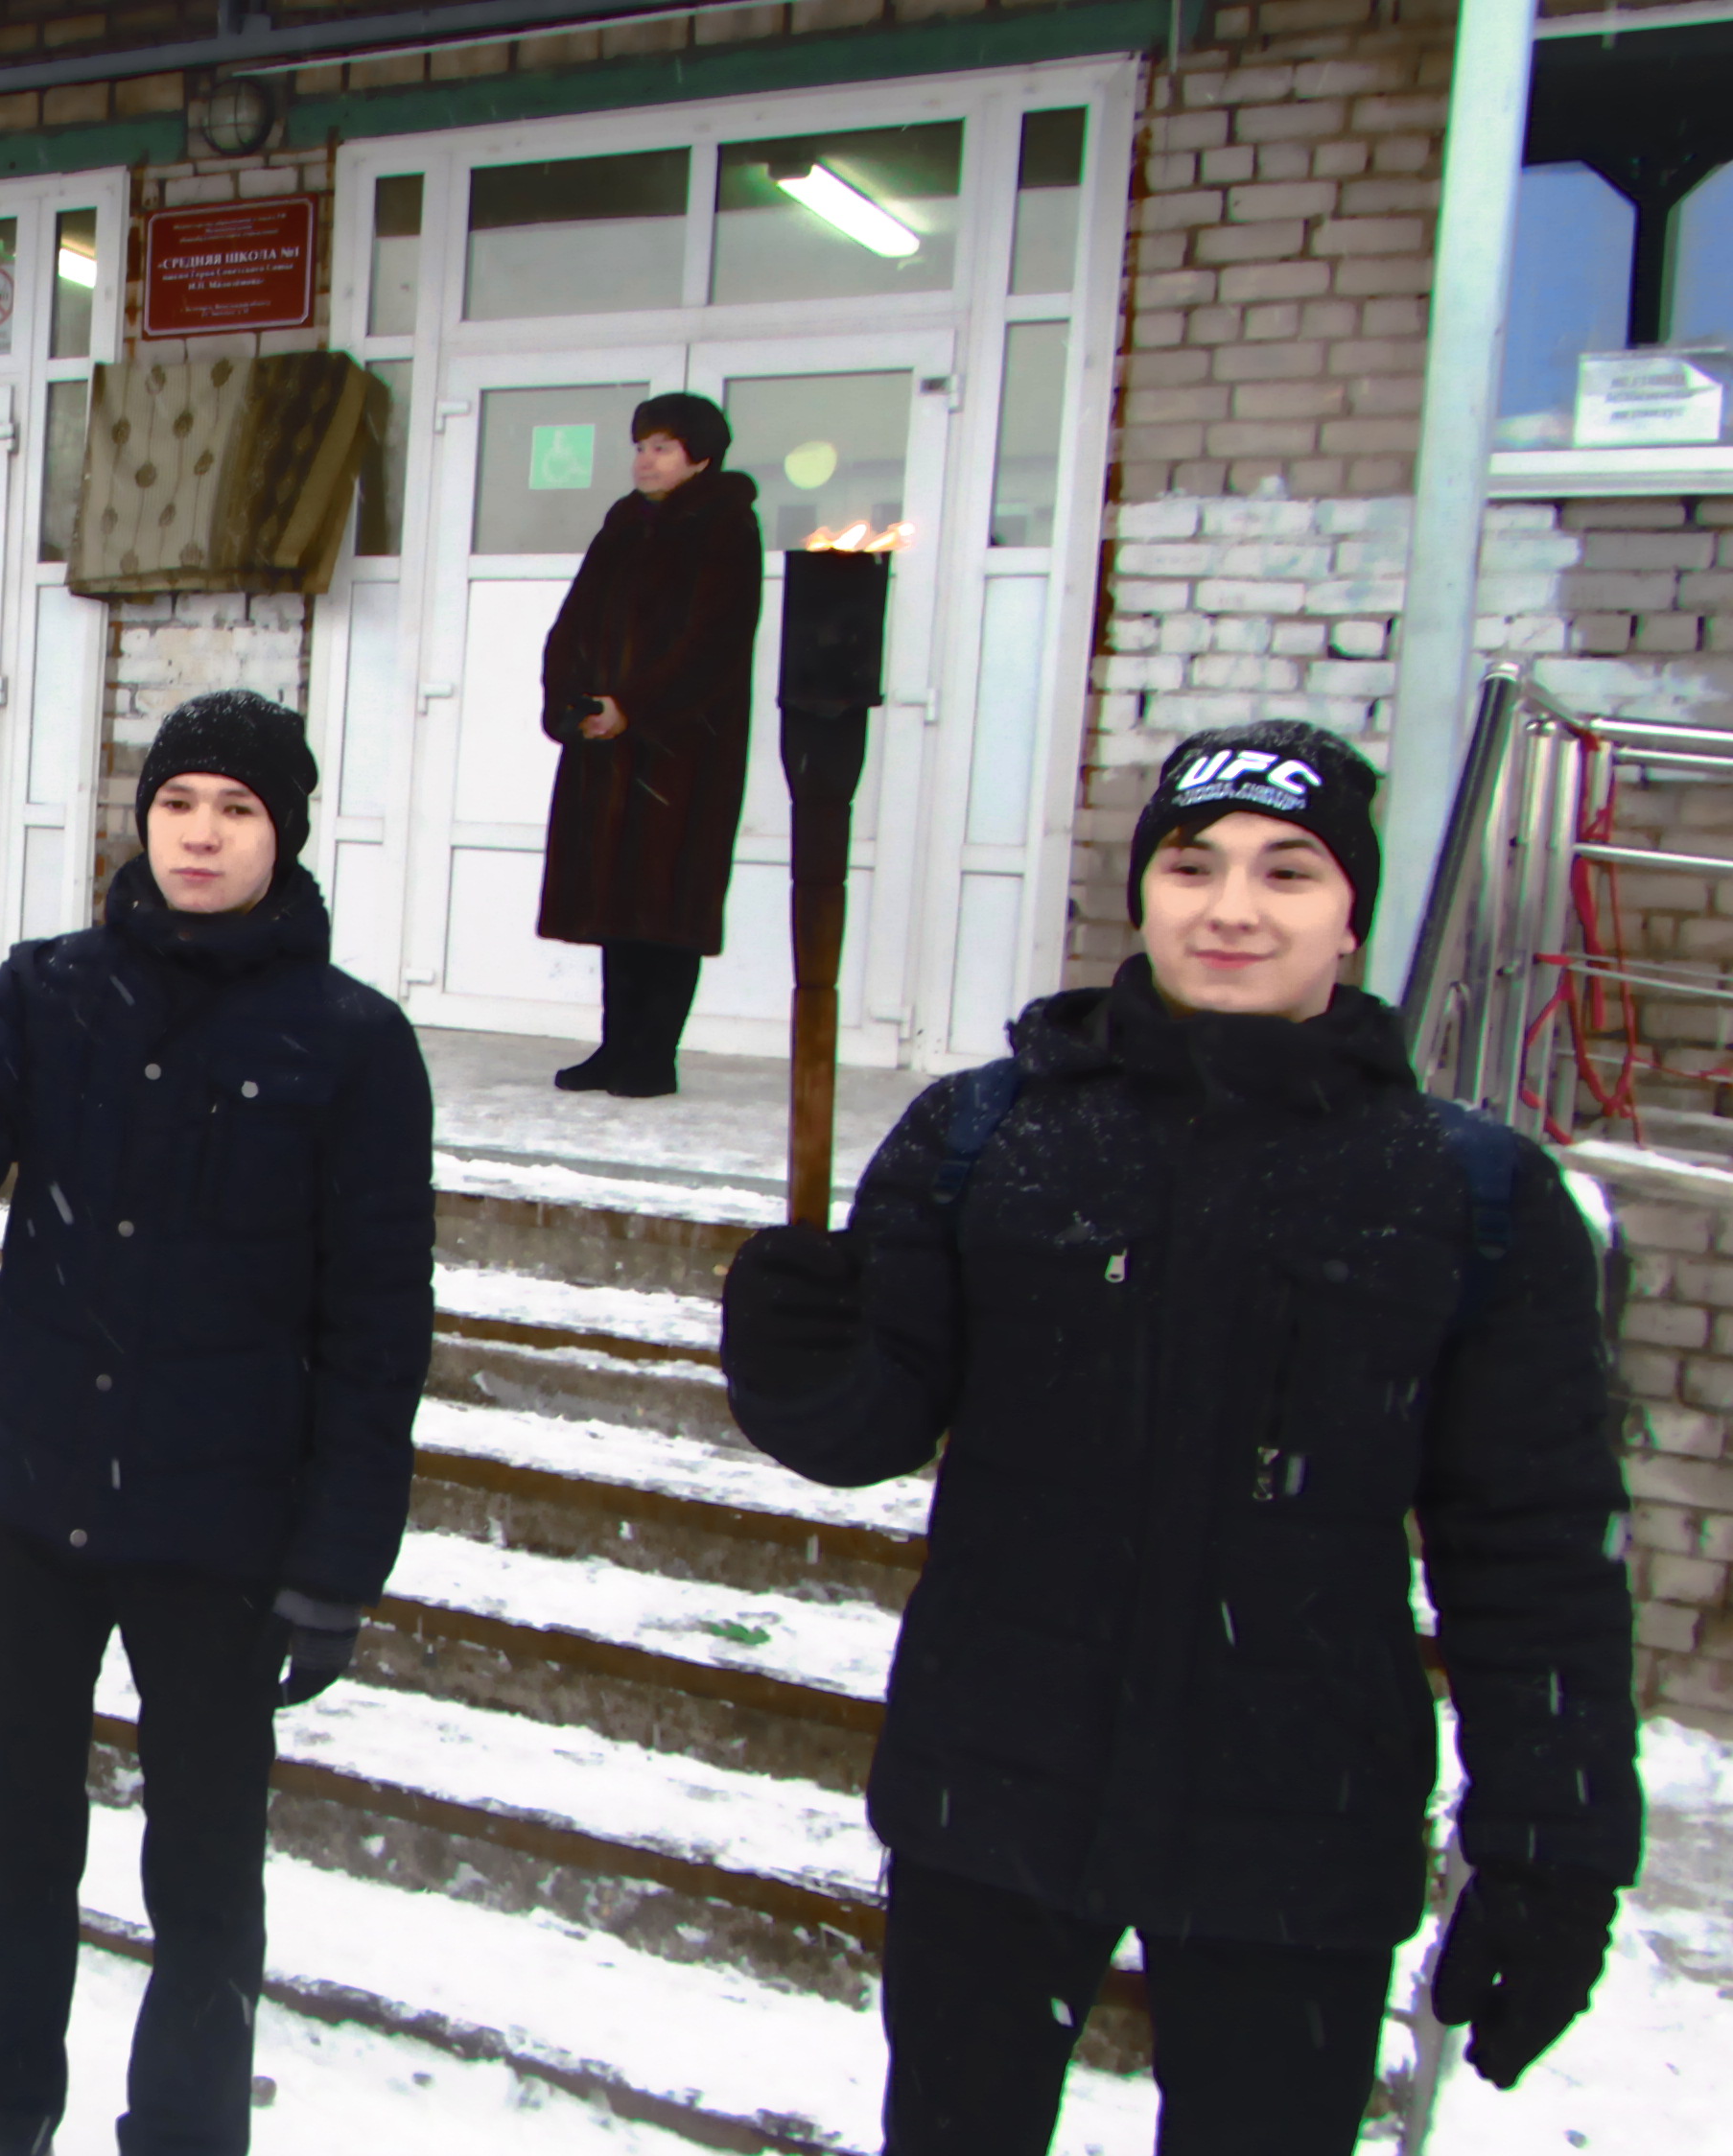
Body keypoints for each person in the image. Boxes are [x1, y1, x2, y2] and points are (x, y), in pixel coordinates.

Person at [717, 721, 1644, 2155]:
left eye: (1289, 871)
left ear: (1351, 917)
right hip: (1000, 1784)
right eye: (1192, 864)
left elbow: (1534, 1548)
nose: (1231, 907)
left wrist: (1554, 1841)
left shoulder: (1468, 1195)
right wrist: (789, 1356)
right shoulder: (990, 1136)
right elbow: (869, 1429)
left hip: (1299, 1810)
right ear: (1141, 895)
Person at [0, 693, 435, 2156]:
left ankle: (186, 2133)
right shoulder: (51, 990)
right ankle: (4, 2102)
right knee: (16, 1833)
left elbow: (377, 1326)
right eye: (177, 805)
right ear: (140, 822)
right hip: (34, 1497)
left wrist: (340, 1560)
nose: (201, 834)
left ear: (283, 832)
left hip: (219, 1525)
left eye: (236, 809)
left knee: (204, 1873)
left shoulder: (352, 1044)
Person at [535, 391, 761, 1099]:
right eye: (640, 445)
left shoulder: (725, 527)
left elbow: (715, 643)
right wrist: (570, 704)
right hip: (606, 748)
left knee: (667, 902)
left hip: (679, 751)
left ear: (701, 456)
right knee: (616, 900)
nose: (645, 459)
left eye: (663, 446)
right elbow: (571, 624)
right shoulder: (622, 529)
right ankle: (616, 1046)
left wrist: (635, 708)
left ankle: (653, 1055)